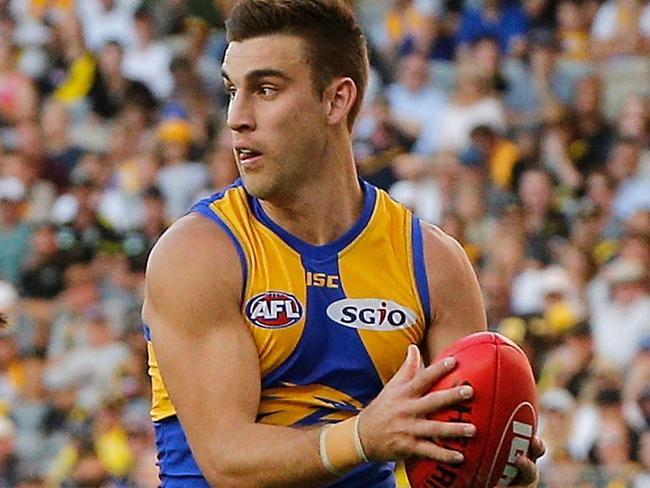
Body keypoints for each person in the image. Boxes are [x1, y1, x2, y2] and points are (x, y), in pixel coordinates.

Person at [142, 1, 544, 487]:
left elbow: (452, 451)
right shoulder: (198, 254)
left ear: (336, 100)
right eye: (232, 90)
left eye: (265, 90)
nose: (237, 117)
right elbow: (228, 461)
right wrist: (363, 437)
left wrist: (491, 471)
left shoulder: (435, 266)